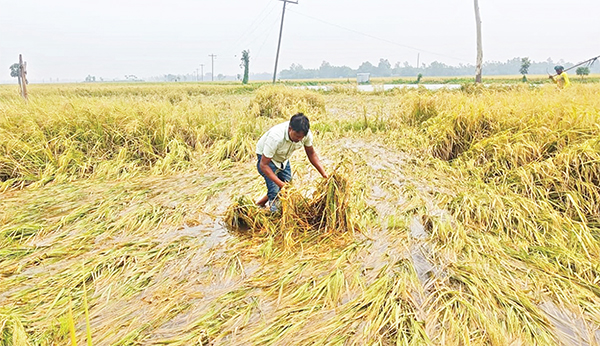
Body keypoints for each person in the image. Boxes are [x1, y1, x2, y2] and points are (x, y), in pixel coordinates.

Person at [255, 113, 327, 212]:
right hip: (267, 158)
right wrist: (281, 184)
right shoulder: (276, 137)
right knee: (275, 192)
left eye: (302, 137)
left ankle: (260, 203)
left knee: (287, 186)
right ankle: (275, 216)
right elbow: (263, 165)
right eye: (297, 136)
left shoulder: (305, 135)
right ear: (290, 129)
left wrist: (324, 174)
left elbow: (311, 154)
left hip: (283, 158)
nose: (299, 140)